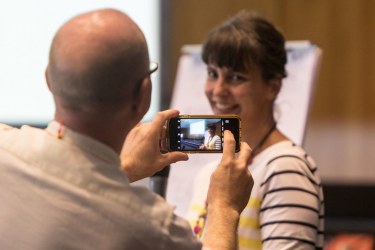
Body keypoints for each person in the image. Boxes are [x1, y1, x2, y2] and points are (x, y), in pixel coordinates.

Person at [0, 9, 254, 250]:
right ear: (143, 96)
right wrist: (224, 207)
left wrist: (123, 170)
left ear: (49, 80)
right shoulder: (153, 228)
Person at [187, 11, 324, 250]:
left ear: (272, 87)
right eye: (212, 74)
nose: (218, 90)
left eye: (236, 78)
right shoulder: (210, 172)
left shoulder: (284, 167)